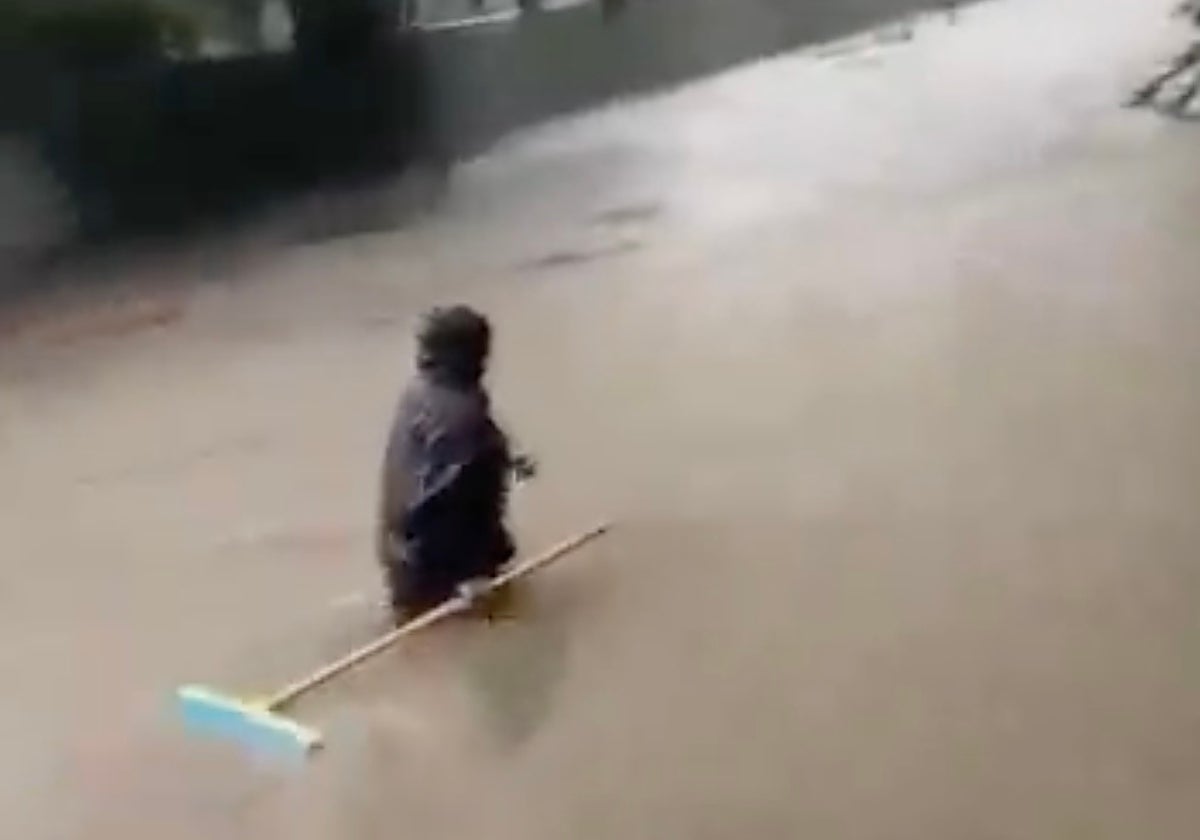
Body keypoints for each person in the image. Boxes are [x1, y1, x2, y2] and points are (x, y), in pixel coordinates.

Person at [376, 305, 535, 624]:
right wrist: (465, 578)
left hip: (397, 550)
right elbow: (438, 506)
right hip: (434, 567)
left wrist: (504, 453)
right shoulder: (461, 419)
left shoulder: (422, 390)